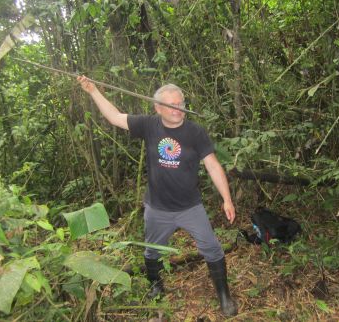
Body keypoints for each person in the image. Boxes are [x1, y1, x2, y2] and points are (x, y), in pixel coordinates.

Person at [77, 76, 238, 316]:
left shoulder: (195, 132)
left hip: (190, 207)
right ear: (158, 108)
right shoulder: (149, 125)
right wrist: (93, 91)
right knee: (152, 251)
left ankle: (224, 295)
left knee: (212, 248)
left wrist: (227, 198)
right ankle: (156, 285)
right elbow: (114, 117)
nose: (178, 110)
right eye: (172, 105)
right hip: (157, 208)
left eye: (181, 104)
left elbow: (213, 165)